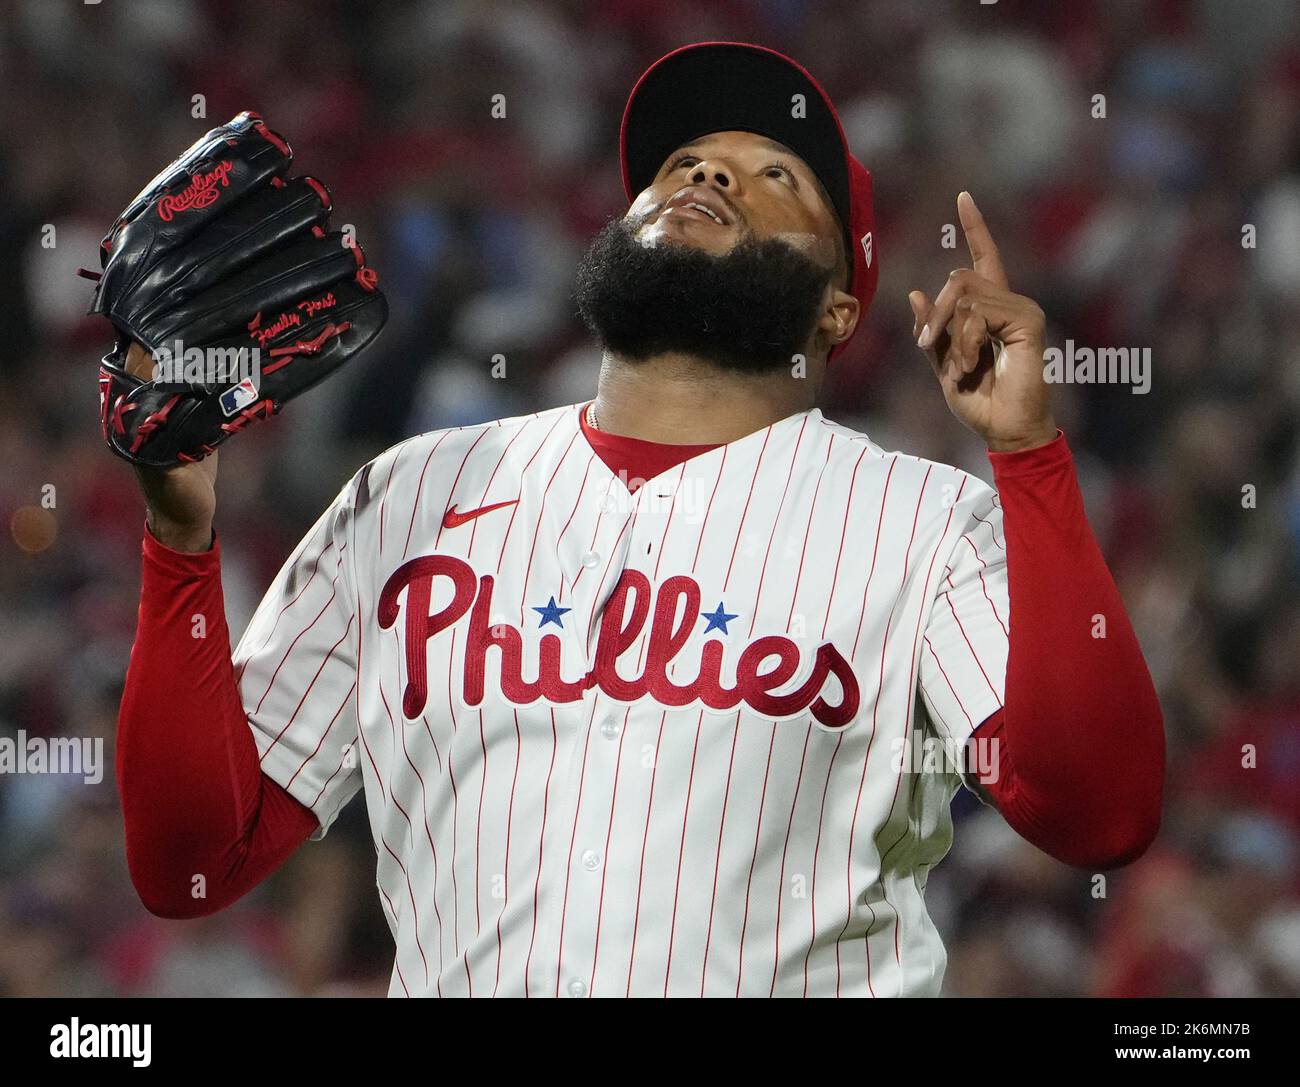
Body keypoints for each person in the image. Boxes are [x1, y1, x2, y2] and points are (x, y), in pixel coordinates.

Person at [115, 41, 1164, 997]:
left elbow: (1099, 812)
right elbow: (192, 862)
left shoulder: (926, 520)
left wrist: (1028, 458)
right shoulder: (412, 490)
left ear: (836, 308)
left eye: (774, 177)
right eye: (685, 163)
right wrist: (180, 542)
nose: (709, 174)